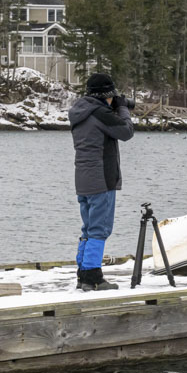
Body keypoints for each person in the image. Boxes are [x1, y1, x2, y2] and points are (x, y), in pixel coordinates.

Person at [69, 72, 134, 291]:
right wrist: (123, 108)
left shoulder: (79, 112)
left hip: (83, 179)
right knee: (100, 229)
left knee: (88, 228)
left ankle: (83, 274)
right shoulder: (100, 113)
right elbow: (126, 132)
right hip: (101, 180)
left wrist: (113, 106)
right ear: (106, 95)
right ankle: (93, 277)